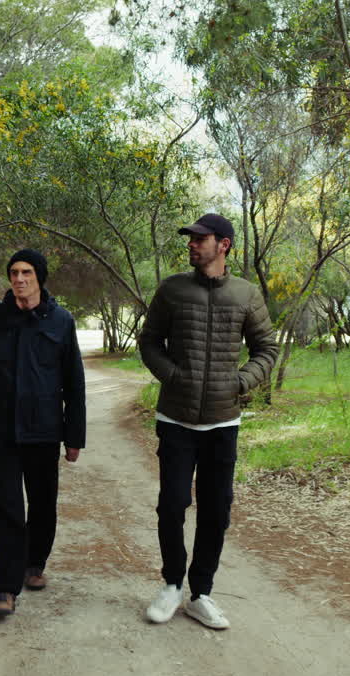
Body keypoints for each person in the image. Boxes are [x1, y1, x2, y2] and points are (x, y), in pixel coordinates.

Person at [137, 213, 278, 629]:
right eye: (191, 239)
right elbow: (149, 342)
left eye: (202, 239)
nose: (193, 245)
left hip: (222, 423)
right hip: (176, 419)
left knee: (217, 510)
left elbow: (266, 348)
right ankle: (170, 586)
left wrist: (239, 383)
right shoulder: (173, 290)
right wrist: (174, 376)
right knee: (172, 505)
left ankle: (201, 594)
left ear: (225, 245)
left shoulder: (245, 295)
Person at [0, 248, 86, 617]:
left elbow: (73, 384)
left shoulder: (61, 322)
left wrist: (74, 437)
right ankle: (5, 587)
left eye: (26, 272)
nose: (18, 279)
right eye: (14, 272)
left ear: (39, 277)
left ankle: (35, 563)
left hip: (44, 431)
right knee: (6, 506)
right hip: (0, 430)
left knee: (43, 503)